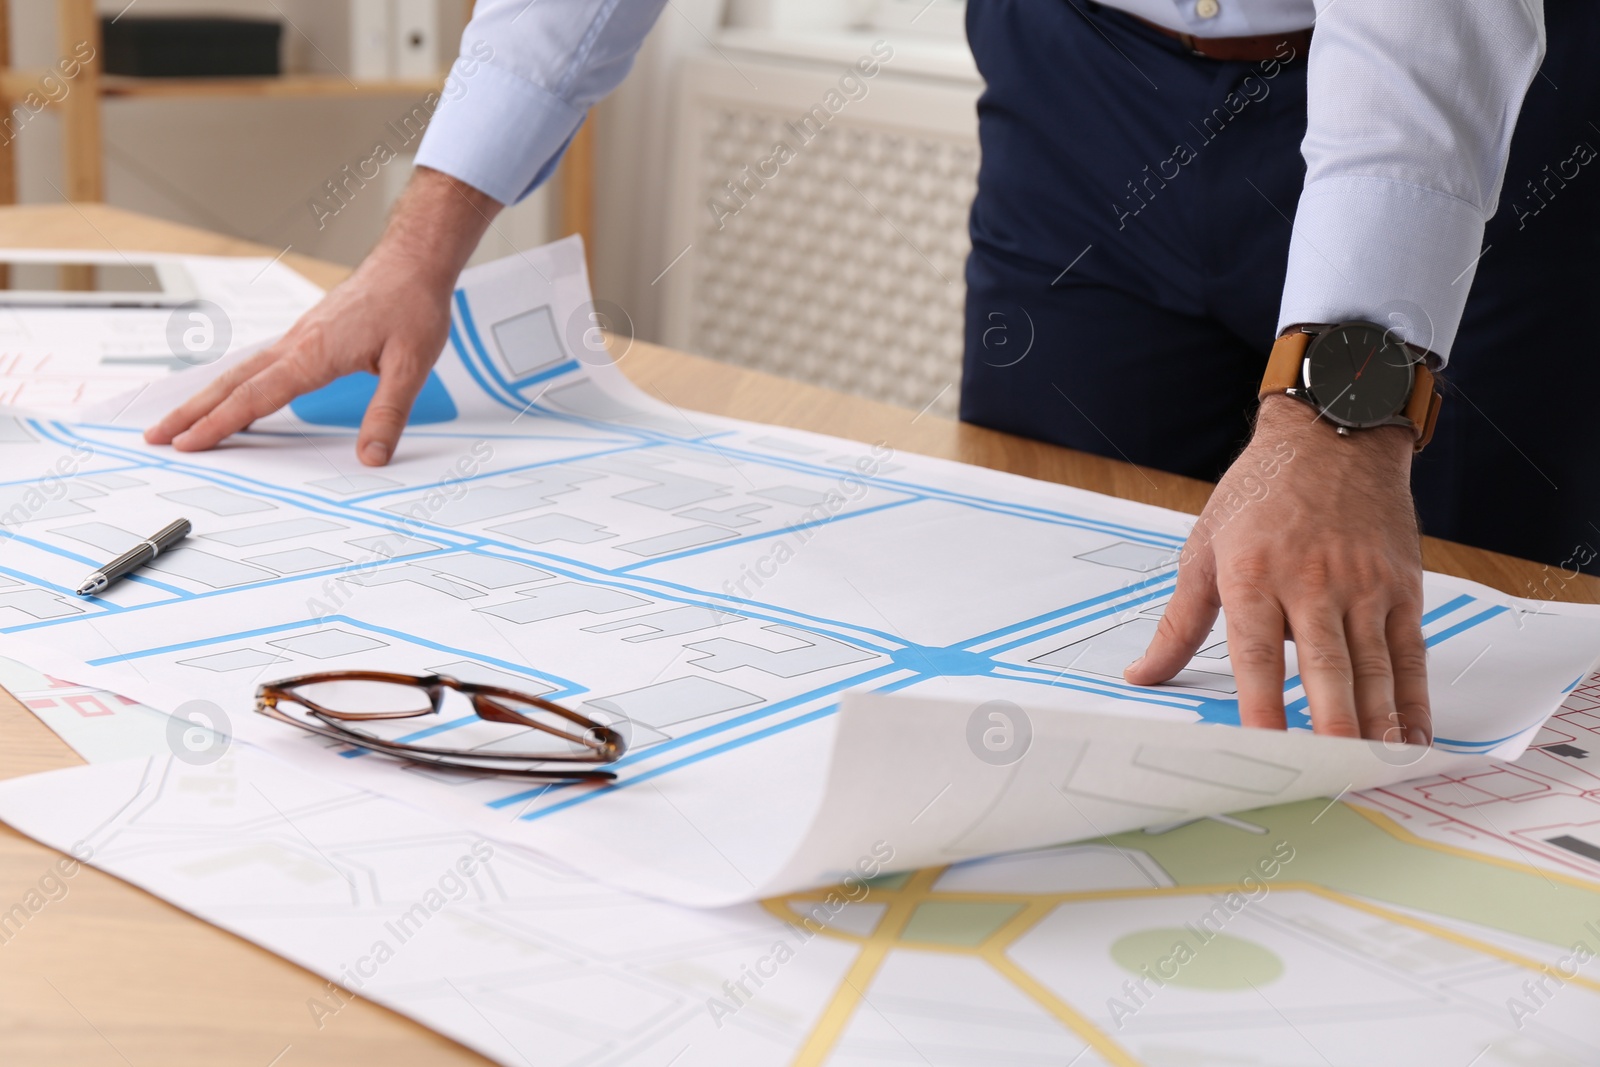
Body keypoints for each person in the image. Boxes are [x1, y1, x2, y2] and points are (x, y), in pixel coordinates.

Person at [146, 0, 1595, 748]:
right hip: (1082, 76)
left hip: (1482, 101)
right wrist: (420, 244)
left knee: (1446, 665)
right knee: (1062, 618)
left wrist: (1341, 414)